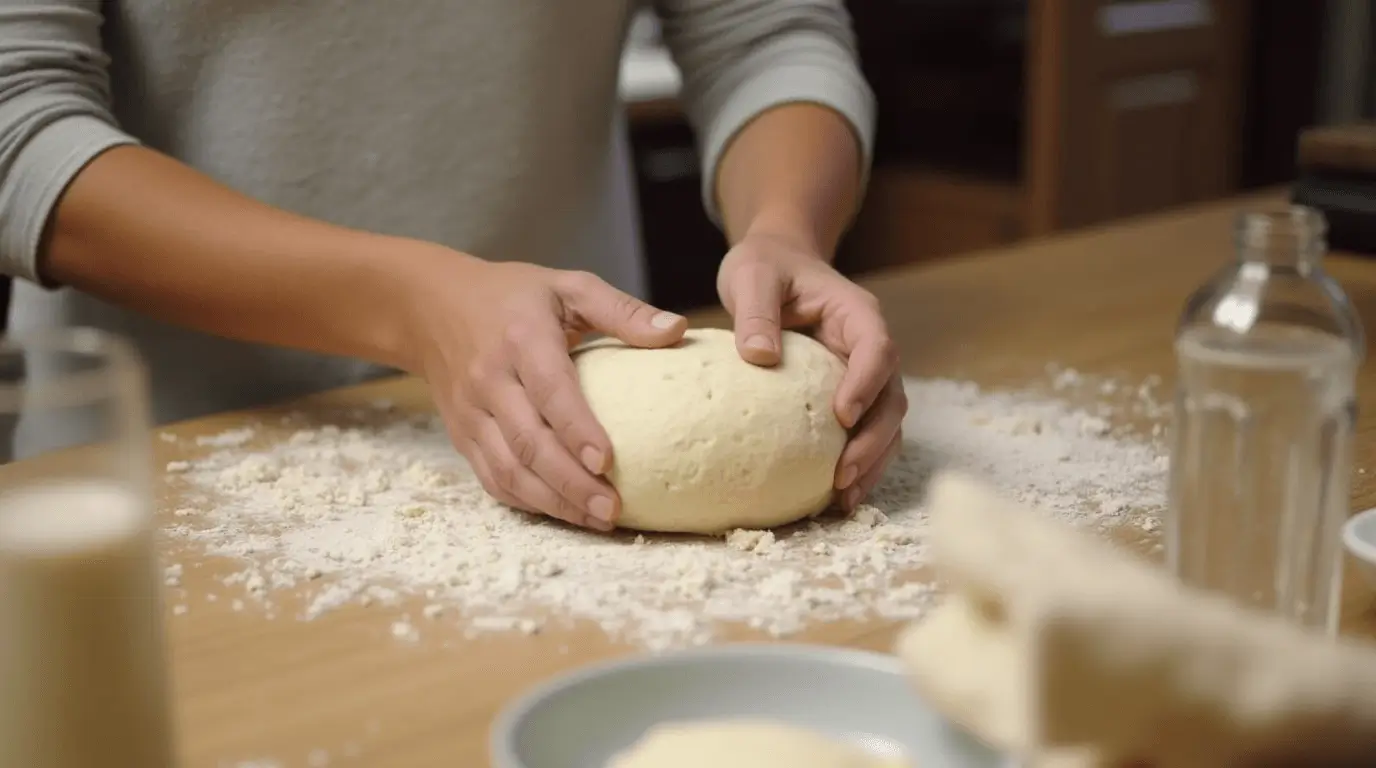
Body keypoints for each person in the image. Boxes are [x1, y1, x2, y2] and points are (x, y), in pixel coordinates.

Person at [0, 1, 906, 531]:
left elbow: (766, 34)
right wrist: (416, 305)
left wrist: (785, 229)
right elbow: (20, 119)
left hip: (568, 433)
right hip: (161, 484)